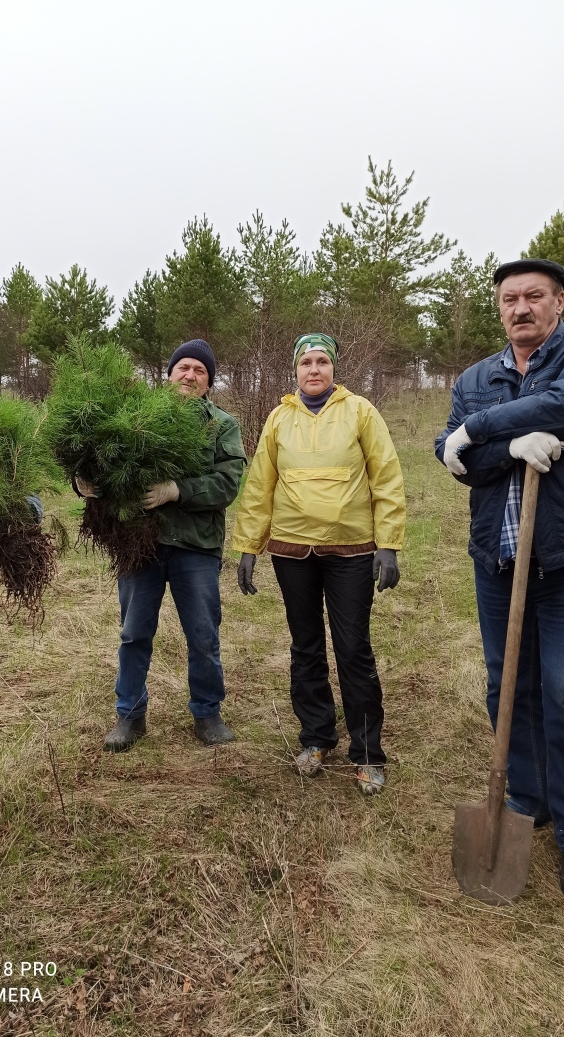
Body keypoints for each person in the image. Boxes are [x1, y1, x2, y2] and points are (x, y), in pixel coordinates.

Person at [436, 258, 564, 903]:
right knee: (509, 684)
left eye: (535, 296)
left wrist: (478, 429)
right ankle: (529, 802)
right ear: (499, 308)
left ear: (559, 302)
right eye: (510, 299)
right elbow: (453, 457)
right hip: (499, 563)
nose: (522, 308)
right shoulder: (478, 376)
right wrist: (505, 447)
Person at [232, 333, 406, 791]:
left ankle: (368, 752)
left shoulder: (360, 412)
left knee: (353, 648)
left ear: (334, 369)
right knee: (305, 645)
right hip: (292, 551)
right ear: (295, 370)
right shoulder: (278, 419)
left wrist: (388, 543)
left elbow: (386, 476)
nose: (314, 369)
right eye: (306, 362)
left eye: (322, 361)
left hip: (351, 550)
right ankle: (315, 736)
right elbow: (259, 486)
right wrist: (249, 546)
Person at [78, 338, 246, 751]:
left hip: (196, 547)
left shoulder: (221, 425)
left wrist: (177, 490)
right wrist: (82, 483)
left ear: (208, 383)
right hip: (141, 545)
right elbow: (100, 456)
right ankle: (130, 716)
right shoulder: (135, 416)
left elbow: (228, 483)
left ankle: (207, 714)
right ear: (168, 374)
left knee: (203, 634)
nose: (190, 375)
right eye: (183, 368)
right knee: (134, 632)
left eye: (200, 371)